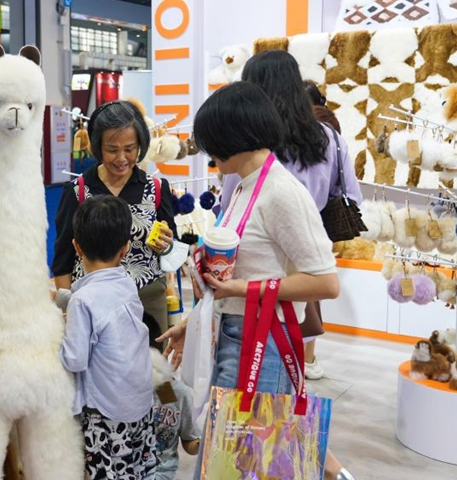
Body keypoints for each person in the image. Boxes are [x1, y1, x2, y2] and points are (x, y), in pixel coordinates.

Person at [158, 81, 341, 480]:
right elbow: (244, 271)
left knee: (242, 463)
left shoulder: (281, 193)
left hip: (265, 344)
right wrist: (196, 321)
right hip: (236, 335)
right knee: (226, 459)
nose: (208, 154)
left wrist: (242, 290)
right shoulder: (244, 186)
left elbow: (325, 282)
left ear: (233, 136)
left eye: (211, 142)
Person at [219, 51, 363, 383]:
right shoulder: (329, 138)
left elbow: (230, 208)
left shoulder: (249, 145)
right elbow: (352, 195)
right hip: (306, 254)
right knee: (290, 340)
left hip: (256, 271)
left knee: (254, 363)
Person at [52, 100, 177, 334]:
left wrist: (169, 246)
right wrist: (69, 312)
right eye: (112, 149)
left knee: (151, 368)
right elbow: (62, 260)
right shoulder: (78, 192)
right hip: (91, 304)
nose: (121, 158)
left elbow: (175, 256)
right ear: (98, 147)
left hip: (147, 303)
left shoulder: (157, 189)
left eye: (129, 149)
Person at [58, 195, 156, 480]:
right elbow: (103, 305)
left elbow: (75, 359)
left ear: (76, 246)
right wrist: (62, 298)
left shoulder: (83, 302)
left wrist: (53, 344)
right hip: (139, 404)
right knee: (136, 470)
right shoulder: (126, 282)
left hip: (106, 416)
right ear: (126, 248)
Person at [150, 349, 198, 480]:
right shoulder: (123, 390)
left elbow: (190, 441)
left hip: (161, 471)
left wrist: (204, 442)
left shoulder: (170, 391)